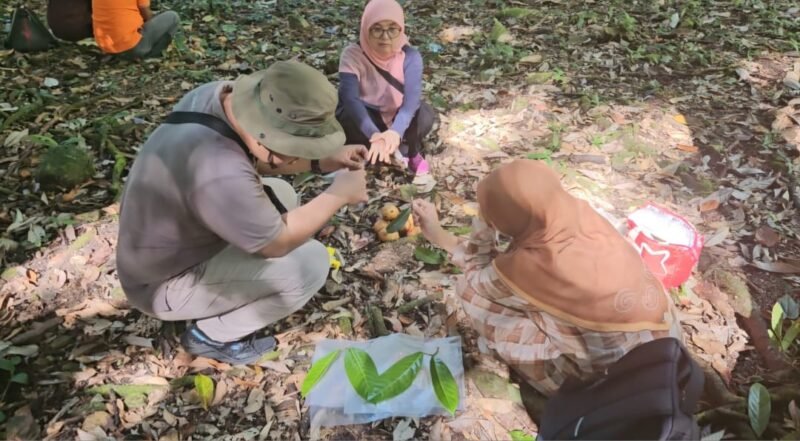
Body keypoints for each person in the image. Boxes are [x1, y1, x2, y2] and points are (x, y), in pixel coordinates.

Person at [116, 60, 369, 365]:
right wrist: (339, 194)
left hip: (164, 249)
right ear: (267, 135)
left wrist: (324, 161)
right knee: (311, 264)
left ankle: (219, 292)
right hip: (160, 284)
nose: (300, 155)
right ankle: (212, 335)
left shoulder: (218, 98)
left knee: (283, 193)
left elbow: (254, 154)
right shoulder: (220, 169)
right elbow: (278, 243)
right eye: (296, 147)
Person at [412, 160, 682, 396]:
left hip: (611, 388)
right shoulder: (589, 217)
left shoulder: (528, 267)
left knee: (467, 291)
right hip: (670, 354)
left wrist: (472, 227)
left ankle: (552, 378)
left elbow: (476, 274)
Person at [336, 0, 436, 175]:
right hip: (366, 115)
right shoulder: (352, 55)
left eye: (392, 28)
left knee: (424, 116)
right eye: (377, 29)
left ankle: (409, 150)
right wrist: (373, 133)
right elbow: (350, 100)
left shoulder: (410, 56)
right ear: (366, 28)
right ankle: (374, 148)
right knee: (345, 119)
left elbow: (410, 102)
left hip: (397, 114)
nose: (385, 36)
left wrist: (395, 131)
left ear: (401, 29)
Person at [92, 0, 179, 59]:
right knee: (172, 16)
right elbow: (146, 13)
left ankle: (117, 55)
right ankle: (151, 55)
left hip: (106, 47)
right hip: (131, 46)